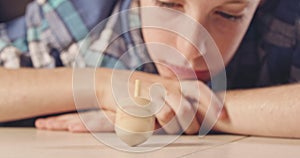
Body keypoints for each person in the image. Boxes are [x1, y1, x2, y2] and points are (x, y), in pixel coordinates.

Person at [0, 0, 299, 138]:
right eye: (169, 4)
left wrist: (190, 104)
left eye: (228, 15)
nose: (189, 50)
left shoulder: (288, 17)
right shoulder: (84, 14)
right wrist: (101, 85)